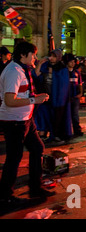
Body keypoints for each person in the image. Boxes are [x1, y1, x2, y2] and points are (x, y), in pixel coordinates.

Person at [0, 41, 54, 212]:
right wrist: (34, 100)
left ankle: (35, 187)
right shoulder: (13, 72)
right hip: (14, 121)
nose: (35, 58)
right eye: (33, 55)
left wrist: (35, 97)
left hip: (26, 119)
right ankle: (5, 197)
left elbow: (22, 93)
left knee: (37, 148)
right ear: (23, 55)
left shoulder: (22, 69)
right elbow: (9, 100)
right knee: (14, 158)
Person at [34, 49, 72, 143]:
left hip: (58, 99)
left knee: (58, 118)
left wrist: (52, 73)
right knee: (46, 116)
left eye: (54, 56)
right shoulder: (46, 66)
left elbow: (63, 84)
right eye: (51, 56)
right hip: (46, 97)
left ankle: (57, 135)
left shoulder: (62, 68)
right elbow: (37, 75)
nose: (51, 58)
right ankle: (47, 134)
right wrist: (40, 64)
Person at [64, 53, 83, 137]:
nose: (73, 63)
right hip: (66, 97)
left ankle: (77, 130)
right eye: (71, 62)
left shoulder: (76, 73)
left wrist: (80, 93)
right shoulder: (64, 72)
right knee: (66, 114)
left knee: (75, 114)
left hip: (75, 96)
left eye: (74, 62)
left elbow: (80, 84)